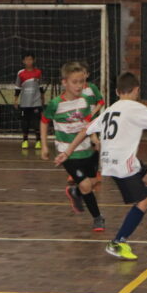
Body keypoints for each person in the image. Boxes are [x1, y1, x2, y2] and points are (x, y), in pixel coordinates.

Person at [57, 72, 147, 260]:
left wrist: (67, 152)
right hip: (122, 164)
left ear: (117, 92)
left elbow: (86, 129)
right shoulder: (136, 108)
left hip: (113, 159)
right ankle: (118, 242)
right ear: (136, 90)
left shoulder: (110, 109)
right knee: (143, 202)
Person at [41, 62, 105, 232]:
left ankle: (75, 192)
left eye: (81, 82)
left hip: (87, 150)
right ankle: (98, 218)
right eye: (74, 82)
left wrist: (94, 139)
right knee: (86, 185)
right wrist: (44, 146)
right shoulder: (55, 104)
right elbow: (44, 121)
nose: (79, 86)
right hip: (67, 153)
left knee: (91, 183)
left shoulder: (84, 102)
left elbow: (86, 125)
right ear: (64, 83)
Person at [14, 52, 44, 150]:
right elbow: (17, 88)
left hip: (36, 102)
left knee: (36, 122)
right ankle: (25, 140)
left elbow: (41, 87)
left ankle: (38, 141)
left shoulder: (38, 72)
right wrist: (15, 100)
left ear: (34, 60)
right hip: (24, 103)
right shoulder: (20, 73)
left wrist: (42, 99)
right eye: (26, 59)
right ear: (23, 61)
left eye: (30, 59)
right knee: (25, 122)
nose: (29, 61)